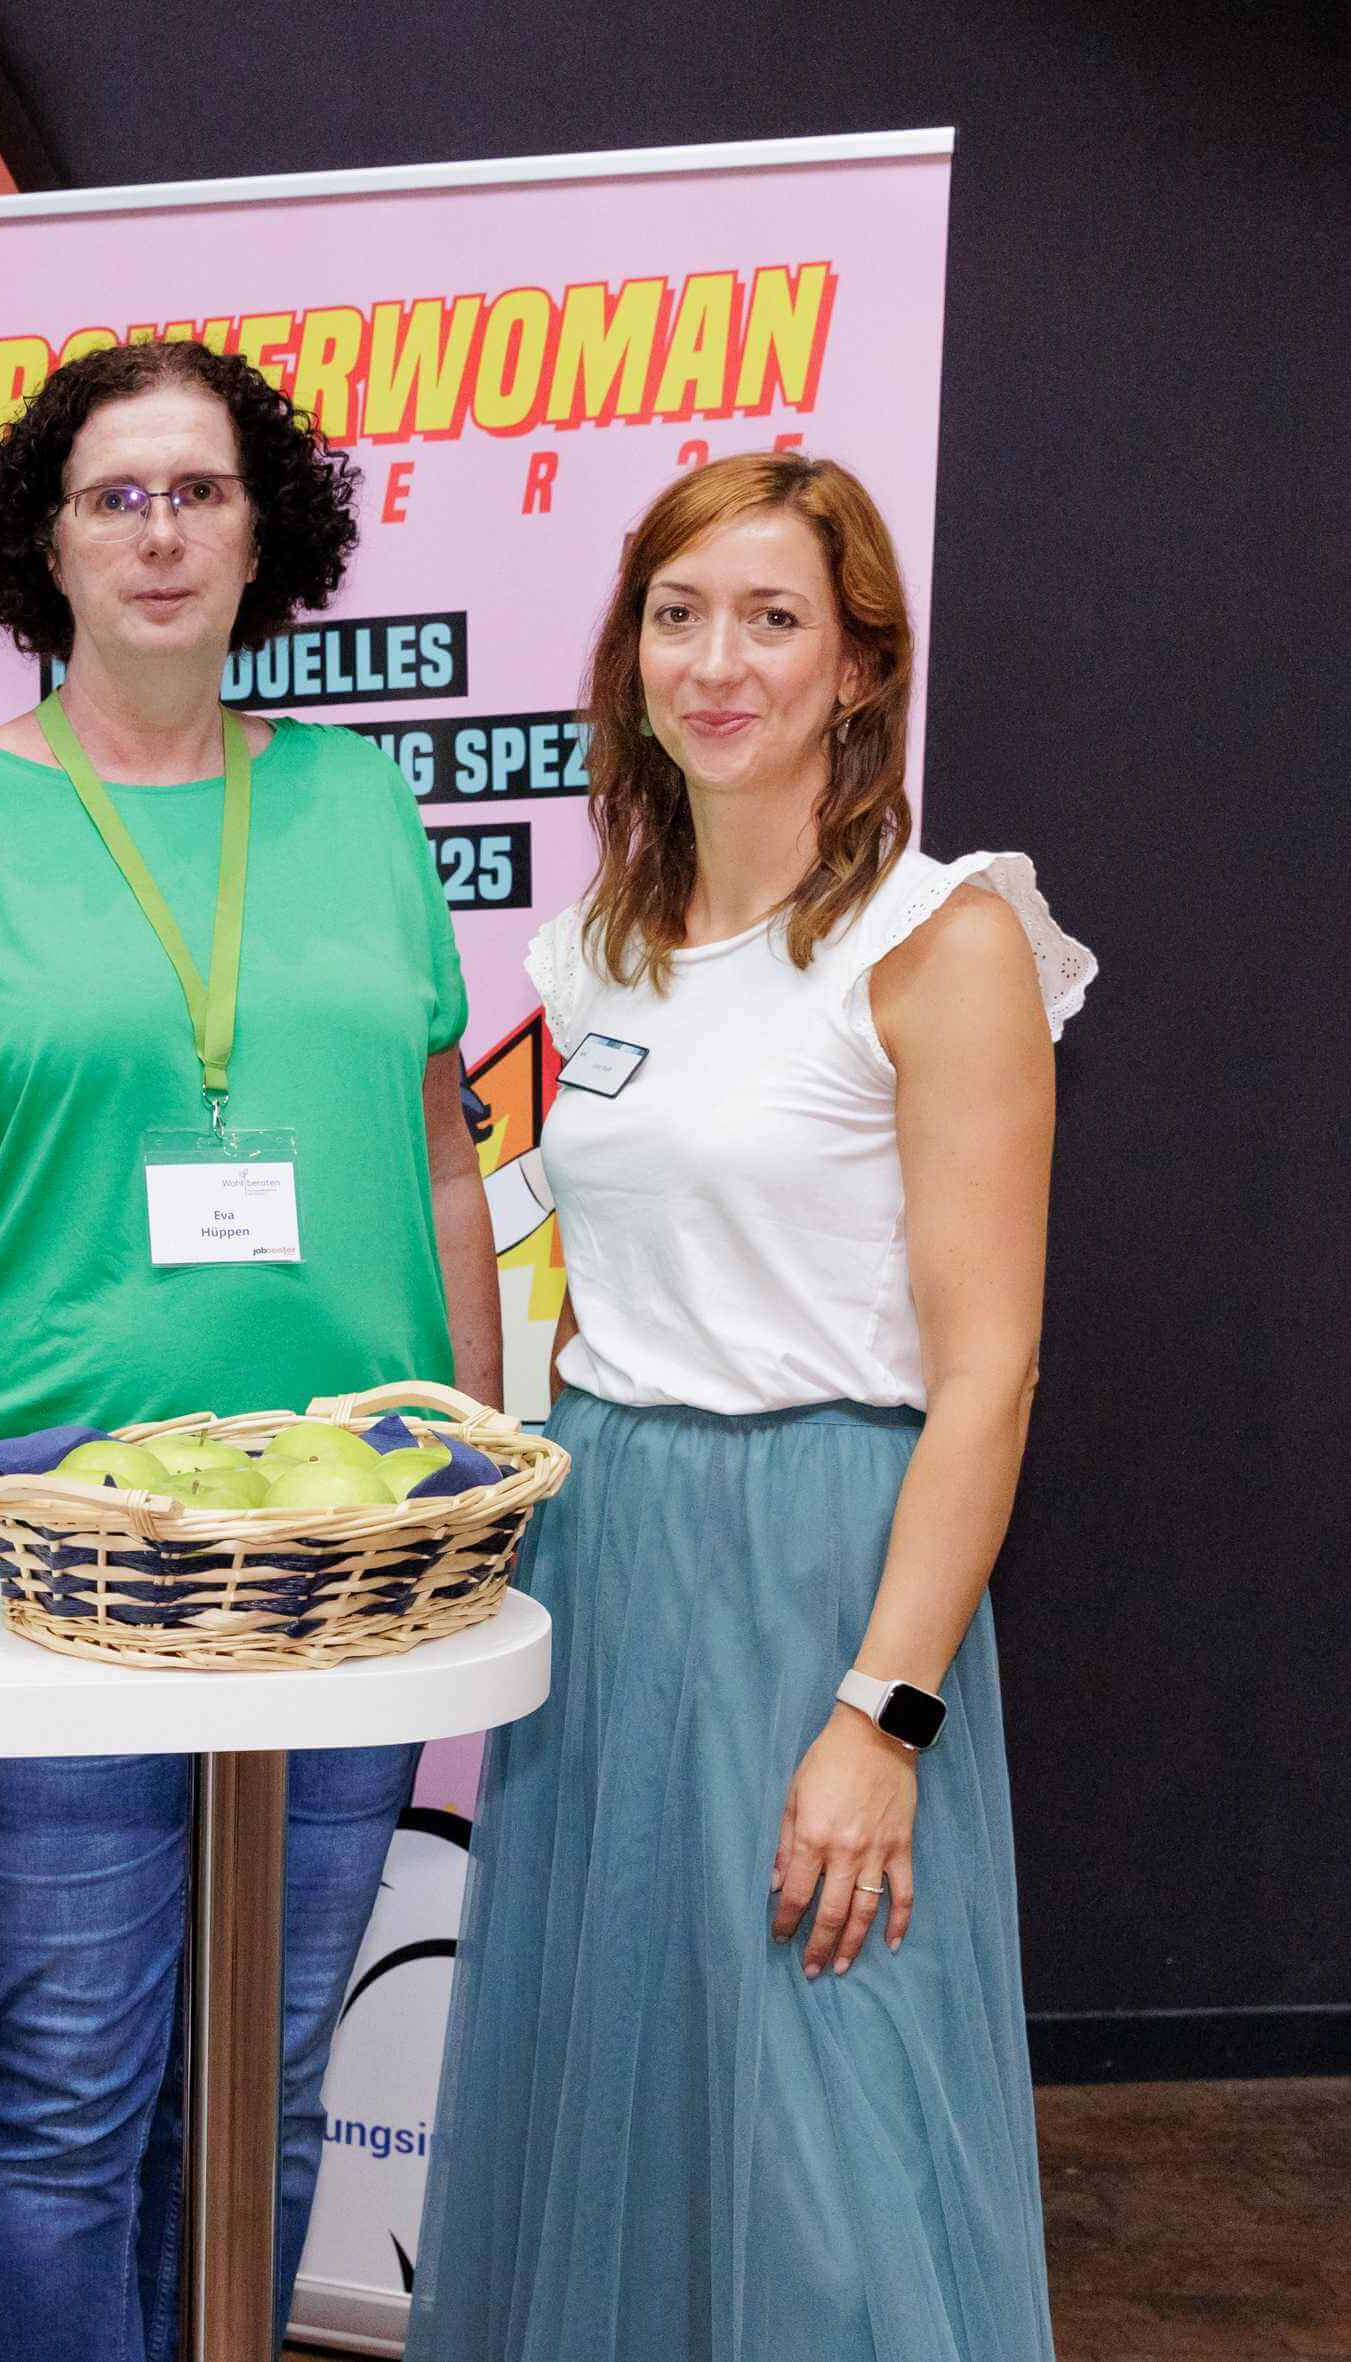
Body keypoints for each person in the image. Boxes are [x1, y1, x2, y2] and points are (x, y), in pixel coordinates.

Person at [0, 336, 505, 2359]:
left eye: (200, 491)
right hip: (49, 1570)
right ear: (44, 544)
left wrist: (474, 1480)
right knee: (67, 2103)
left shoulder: (360, 805)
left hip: (346, 1570)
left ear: (263, 533)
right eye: (115, 495)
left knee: (264, 2095)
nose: (162, 533)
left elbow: (441, 1168)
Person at [409, 452, 1091, 2359]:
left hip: (828, 1575)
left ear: (859, 666)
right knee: (618, 2099)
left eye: (773, 618)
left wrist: (884, 1712)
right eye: (679, 614)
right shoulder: (596, 949)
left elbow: (990, 1373)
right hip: (609, 1551)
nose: (718, 663)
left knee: (826, 2138)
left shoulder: (944, 944)